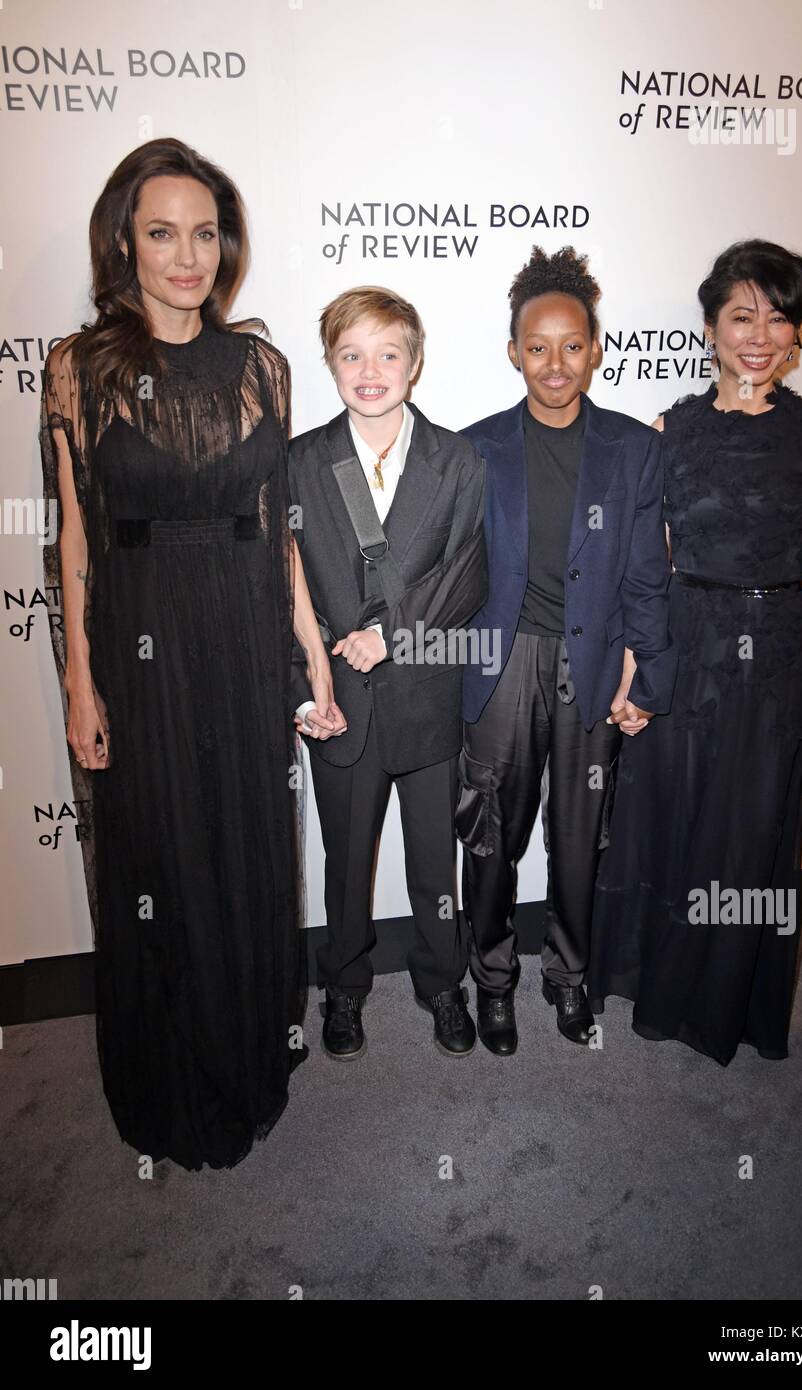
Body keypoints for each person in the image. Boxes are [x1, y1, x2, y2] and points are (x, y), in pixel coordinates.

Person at [40, 137, 338, 1169]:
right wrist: (80, 676)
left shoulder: (262, 364)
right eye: (162, 232)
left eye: (204, 232)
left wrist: (310, 651)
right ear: (125, 240)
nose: (186, 255)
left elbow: (280, 523)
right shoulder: (79, 368)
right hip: (140, 639)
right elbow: (75, 534)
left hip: (246, 635)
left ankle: (249, 1050)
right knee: (159, 859)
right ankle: (171, 1079)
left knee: (246, 849)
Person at [589, 239, 802, 1065]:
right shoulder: (671, 431)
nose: (759, 335)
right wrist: (636, 671)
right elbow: (651, 563)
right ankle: (663, 986)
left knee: (751, 830)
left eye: (779, 318)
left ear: (798, 333)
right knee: (672, 817)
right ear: (709, 326)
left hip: (776, 646)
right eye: (742, 315)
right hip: (687, 635)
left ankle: (726, 1005)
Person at [458, 246, 676, 1055]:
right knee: (491, 835)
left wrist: (648, 673)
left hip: (593, 666)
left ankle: (568, 978)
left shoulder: (633, 448)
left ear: (595, 347)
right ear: (513, 351)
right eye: (537, 346)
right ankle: (492, 980)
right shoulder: (473, 448)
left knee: (580, 838)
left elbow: (647, 574)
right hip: (502, 664)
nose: (555, 364)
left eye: (572, 345)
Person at [288, 286, 487, 1060]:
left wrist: (390, 636)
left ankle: (443, 985)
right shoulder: (301, 461)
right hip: (338, 701)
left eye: (387, 354)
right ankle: (342, 988)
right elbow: (280, 586)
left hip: (426, 694)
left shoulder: (457, 459)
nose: (369, 371)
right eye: (351, 355)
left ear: (414, 362)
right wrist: (302, 693)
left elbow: (469, 575)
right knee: (346, 863)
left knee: (436, 861)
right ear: (331, 363)